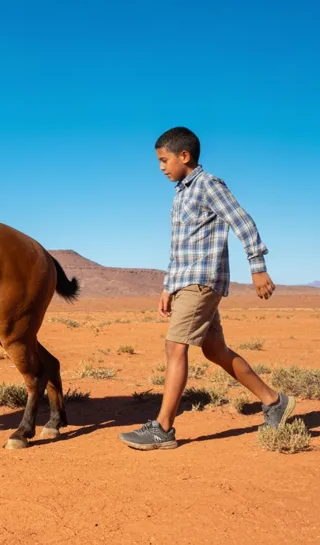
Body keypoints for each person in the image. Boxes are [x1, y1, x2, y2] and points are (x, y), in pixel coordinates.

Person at [118, 126, 296, 450]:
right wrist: (167, 286)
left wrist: (258, 268)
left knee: (175, 347)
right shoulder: (181, 194)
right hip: (185, 281)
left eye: (164, 160)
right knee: (215, 350)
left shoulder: (208, 185)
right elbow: (179, 247)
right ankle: (274, 400)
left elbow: (243, 221)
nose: (161, 167)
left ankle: (163, 428)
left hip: (202, 282)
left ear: (184, 156)